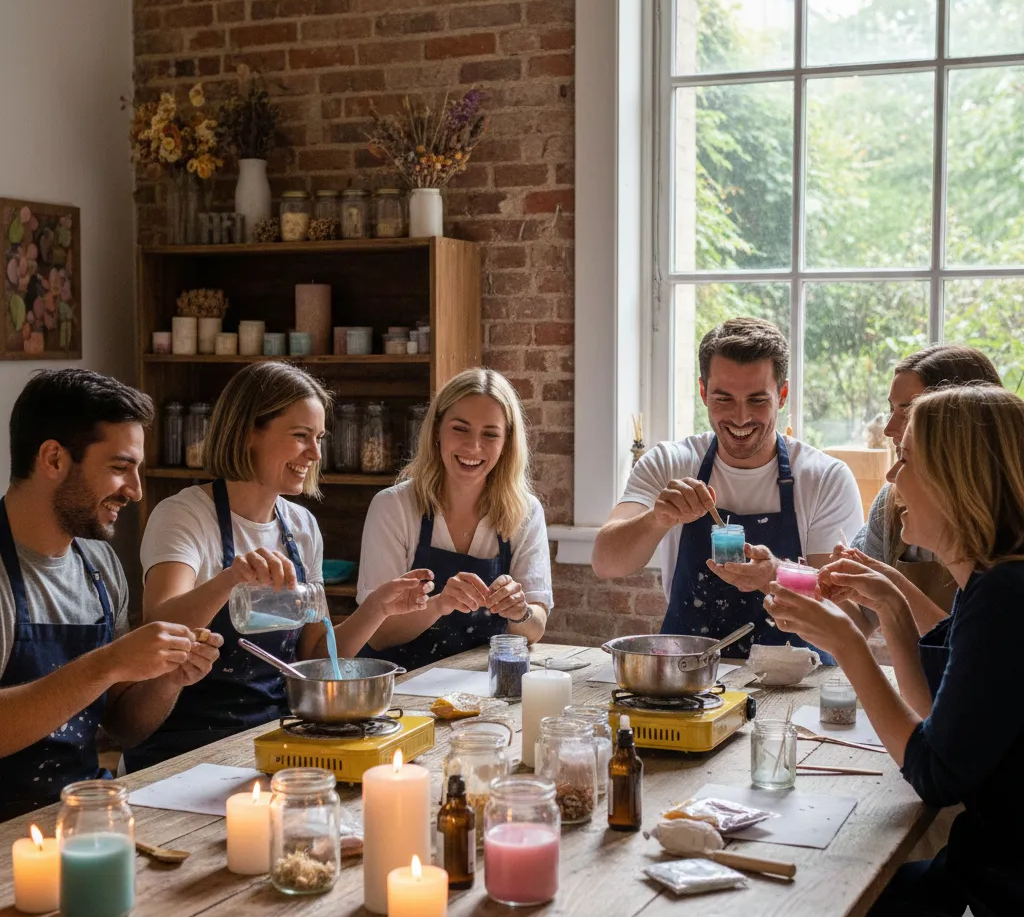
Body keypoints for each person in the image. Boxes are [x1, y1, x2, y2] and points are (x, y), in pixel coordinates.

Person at [765, 385, 1024, 917]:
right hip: (982, 876)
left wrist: (849, 645)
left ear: (956, 478)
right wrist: (892, 616)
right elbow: (947, 728)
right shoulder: (996, 584)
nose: (892, 477)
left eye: (907, 458)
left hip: (998, 907)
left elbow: (936, 776)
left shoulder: (1006, 598)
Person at [127, 362, 432, 771]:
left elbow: (312, 652)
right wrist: (232, 577)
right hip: (183, 750)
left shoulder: (301, 526)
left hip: (273, 739)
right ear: (249, 431)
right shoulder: (183, 516)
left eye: (320, 438)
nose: (316, 453)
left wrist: (377, 607)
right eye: (300, 436)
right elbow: (159, 624)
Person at [0, 370, 221, 820]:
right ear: (54, 459)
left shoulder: (100, 566)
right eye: (120, 468)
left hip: (83, 814)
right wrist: (110, 662)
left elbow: (124, 726)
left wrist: (167, 676)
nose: (136, 491)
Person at [592, 317, 863, 662]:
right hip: (691, 678)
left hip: (798, 681)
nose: (739, 417)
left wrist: (776, 575)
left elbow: (851, 615)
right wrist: (657, 519)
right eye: (723, 398)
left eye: (756, 400)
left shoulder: (824, 478)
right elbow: (606, 563)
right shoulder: (669, 462)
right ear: (703, 392)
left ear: (782, 396)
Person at [356, 367, 553, 671]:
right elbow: (380, 635)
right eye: (460, 429)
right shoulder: (393, 508)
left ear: (506, 443)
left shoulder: (525, 512)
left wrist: (520, 612)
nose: (474, 447)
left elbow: (535, 629)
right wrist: (439, 604)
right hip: (401, 688)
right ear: (437, 430)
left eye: (490, 434)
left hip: (483, 684)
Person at [847, 344, 1001, 630]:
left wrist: (893, 589)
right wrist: (782, 575)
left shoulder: (1009, 535)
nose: (890, 428)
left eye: (908, 412)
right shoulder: (893, 501)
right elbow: (863, 616)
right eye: (891, 409)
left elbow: (975, 652)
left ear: (961, 422)